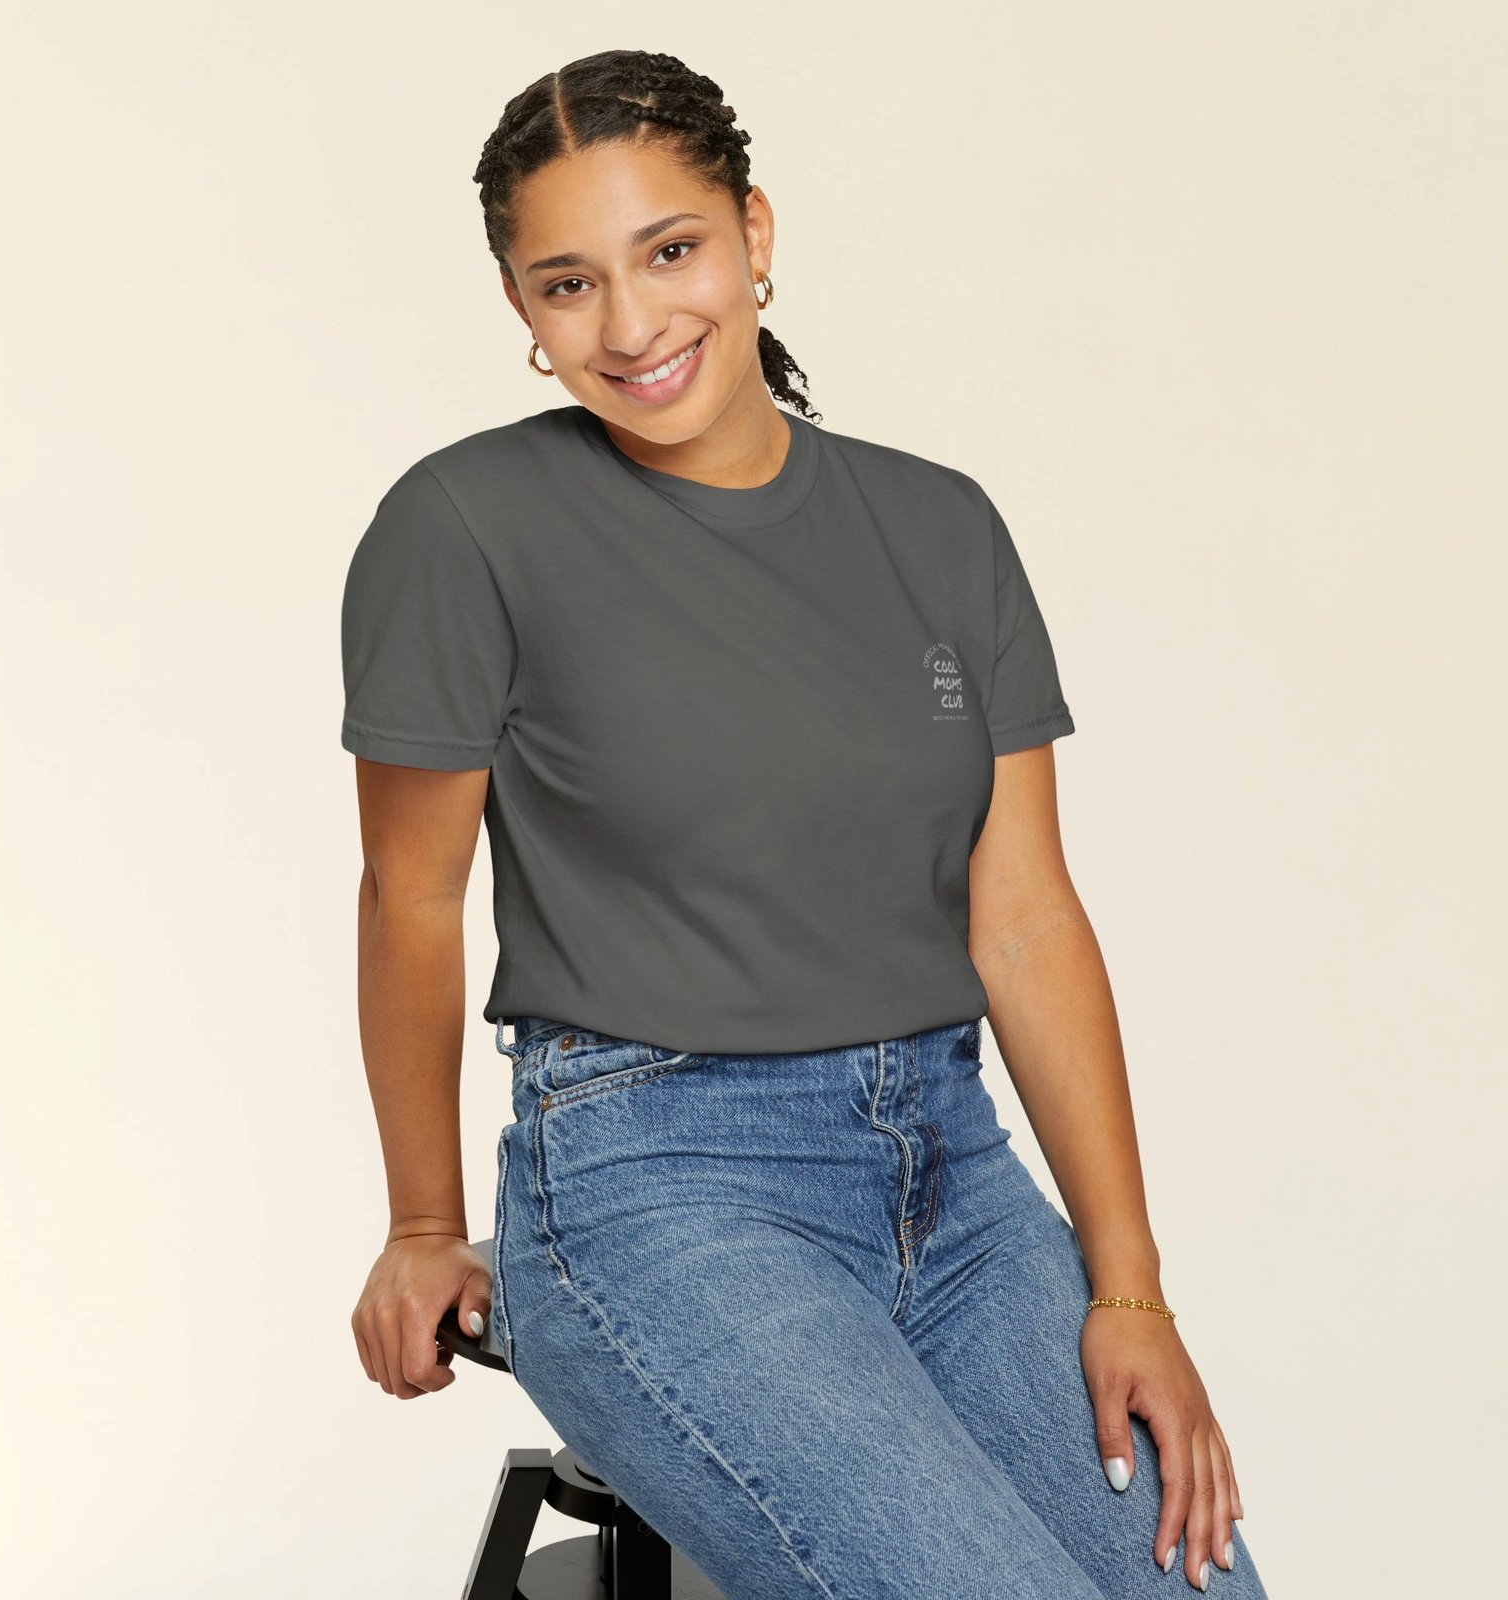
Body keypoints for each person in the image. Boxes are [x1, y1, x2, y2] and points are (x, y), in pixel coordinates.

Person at [341, 47, 1269, 1600]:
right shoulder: (466, 527)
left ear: (754, 232)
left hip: (953, 1176)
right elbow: (411, 897)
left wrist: (1130, 1292)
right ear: (521, 308)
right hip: (652, 1183)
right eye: (568, 284)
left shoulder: (940, 527)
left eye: (671, 251)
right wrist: (425, 1219)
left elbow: (1025, 916)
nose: (630, 325)